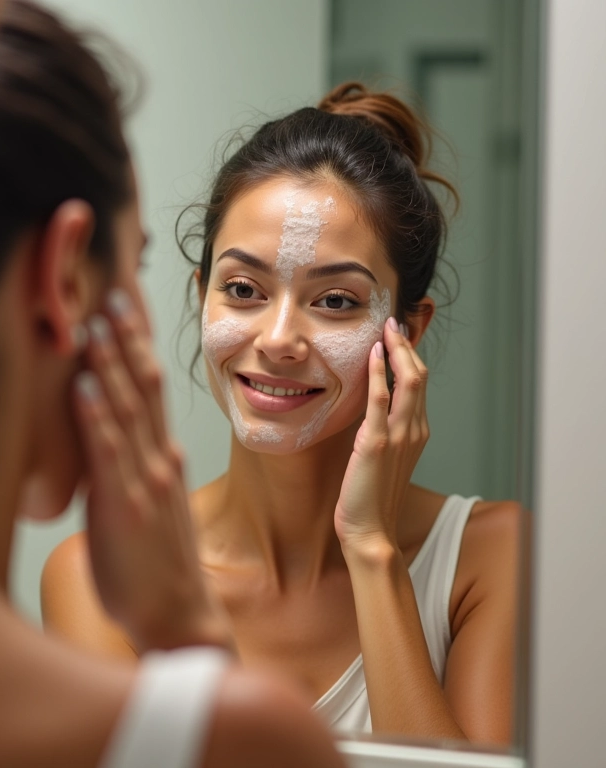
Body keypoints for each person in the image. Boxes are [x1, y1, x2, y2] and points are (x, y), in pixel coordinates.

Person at [0, 2, 348, 767]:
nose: (278, 340)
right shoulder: (239, 741)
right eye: (134, 262)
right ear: (66, 280)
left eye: (333, 300)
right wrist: (190, 638)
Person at [43, 82, 524, 746]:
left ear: (408, 331)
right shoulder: (100, 578)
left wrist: (373, 551)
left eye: (336, 301)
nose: (277, 340)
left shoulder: (491, 556)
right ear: (201, 297)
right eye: (243, 289)